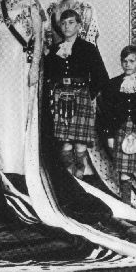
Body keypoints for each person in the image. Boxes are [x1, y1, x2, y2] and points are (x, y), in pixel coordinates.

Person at [0, 0, 43, 175]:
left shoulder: (31, 4)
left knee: (20, 110)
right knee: (2, 110)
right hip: (1, 63)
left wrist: (35, 67)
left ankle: (21, 164)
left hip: (22, 62)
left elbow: (38, 38)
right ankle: (3, 163)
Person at [44, 9, 109, 179]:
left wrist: (88, 95)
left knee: (80, 143)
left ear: (79, 26)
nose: (66, 26)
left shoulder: (88, 48)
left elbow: (101, 76)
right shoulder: (54, 49)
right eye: (63, 23)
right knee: (65, 142)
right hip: (60, 98)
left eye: (71, 22)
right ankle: (69, 180)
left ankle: (80, 177)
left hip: (81, 97)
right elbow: (48, 75)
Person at [98, 46, 136, 204]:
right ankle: (127, 209)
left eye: (132, 61)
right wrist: (109, 135)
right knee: (124, 173)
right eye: (125, 61)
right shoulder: (113, 85)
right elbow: (107, 114)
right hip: (121, 132)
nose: (127, 64)